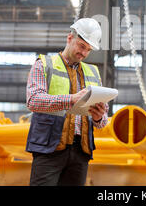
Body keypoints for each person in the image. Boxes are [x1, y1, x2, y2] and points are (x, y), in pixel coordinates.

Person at [25, 18, 109, 186]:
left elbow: (102, 122)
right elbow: (33, 100)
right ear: (69, 38)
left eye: (88, 49)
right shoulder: (44, 64)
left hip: (80, 151)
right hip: (49, 148)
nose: (84, 53)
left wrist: (100, 118)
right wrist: (70, 99)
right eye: (81, 46)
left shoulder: (92, 72)